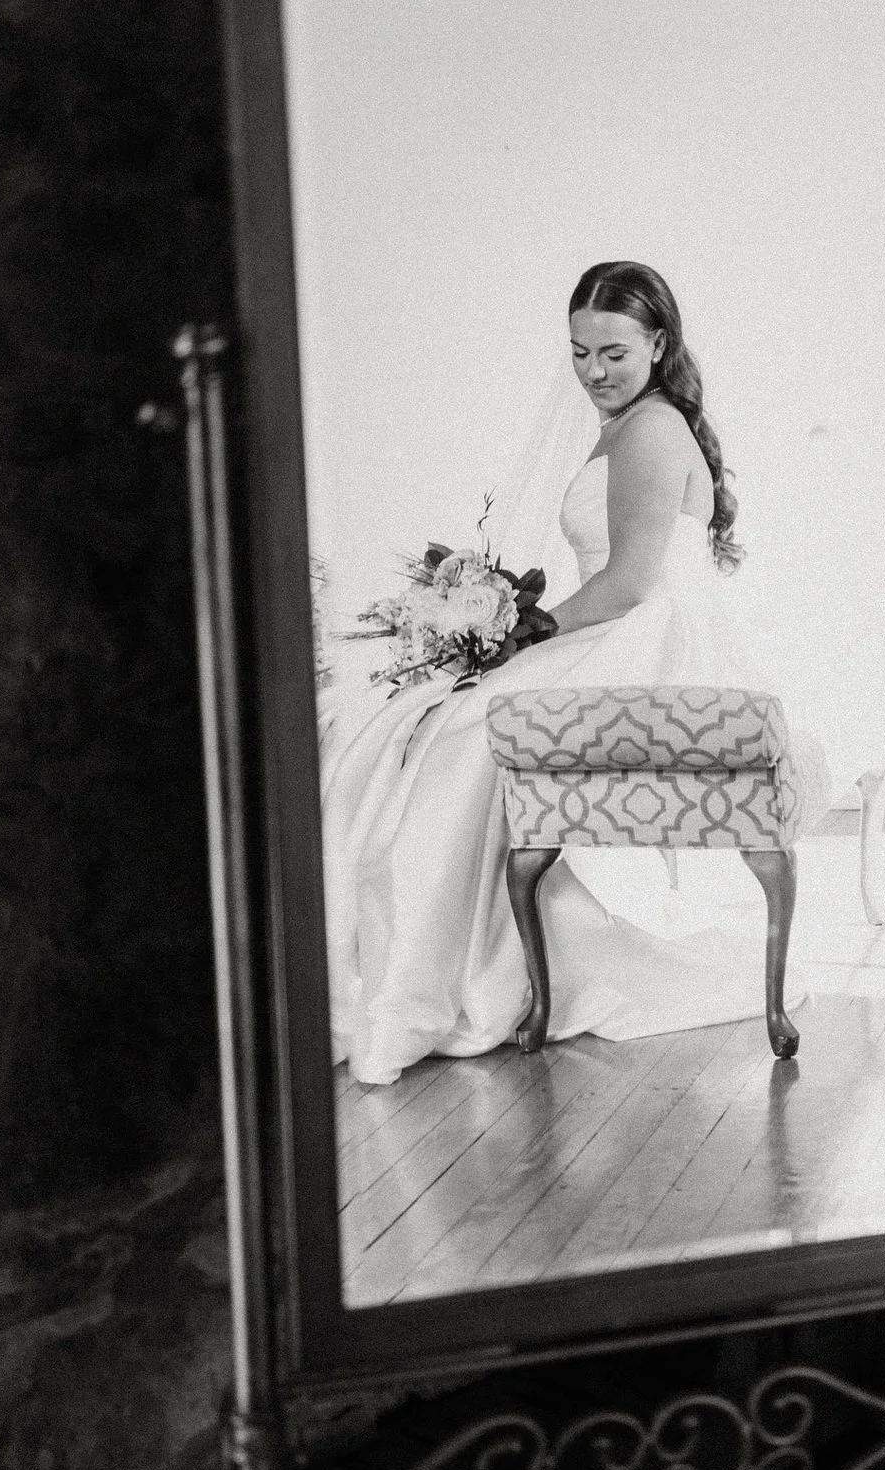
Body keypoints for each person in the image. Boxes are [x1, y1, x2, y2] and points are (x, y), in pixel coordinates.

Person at [320, 260, 790, 1087]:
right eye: (579, 352)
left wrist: (519, 636)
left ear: (659, 345)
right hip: (615, 629)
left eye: (613, 352)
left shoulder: (650, 431)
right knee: (431, 722)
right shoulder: (628, 424)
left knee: (461, 734)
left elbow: (631, 582)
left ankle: (441, 976)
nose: (593, 372)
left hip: (642, 640)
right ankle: (435, 961)